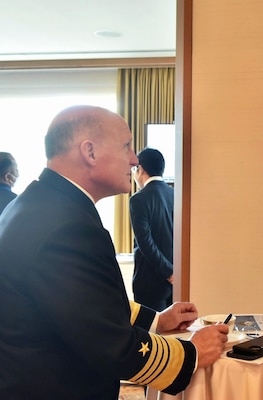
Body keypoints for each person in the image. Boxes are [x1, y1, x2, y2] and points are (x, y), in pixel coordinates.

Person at [0, 105, 229, 399]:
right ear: (89, 151)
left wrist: (158, 320)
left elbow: (86, 303)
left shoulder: (42, 204)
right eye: (126, 146)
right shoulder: (66, 226)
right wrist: (192, 352)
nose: (134, 159)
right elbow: (113, 345)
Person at [130, 147, 174, 311]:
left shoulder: (138, 199)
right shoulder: (174, 195)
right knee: (175, 333)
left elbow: (145, 242)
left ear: (140, 169)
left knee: (151, 334)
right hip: (175, 281)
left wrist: (168, 271)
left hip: (150, 280)